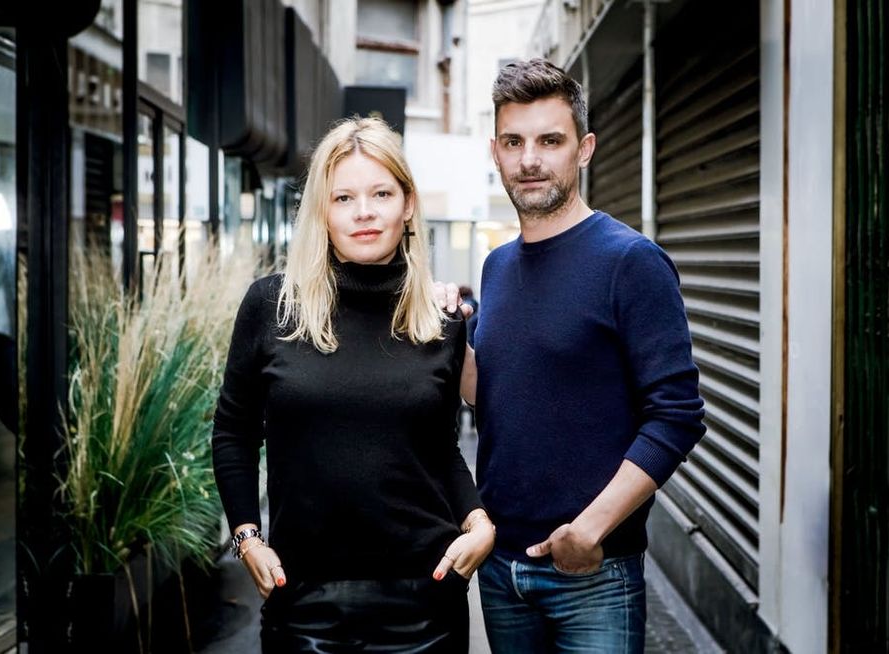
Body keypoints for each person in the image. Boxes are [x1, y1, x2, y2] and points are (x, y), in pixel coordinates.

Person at [211, 116, 495, 653]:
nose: (364, 211)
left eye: (381, 193)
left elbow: (439, 448)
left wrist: (479, 522)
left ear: (407, 204)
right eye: (343, 197)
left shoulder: (440, 319)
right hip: (301, 599)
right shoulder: (272, 306)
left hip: (426, 600)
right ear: (322, 210)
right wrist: (247, 536)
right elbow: (233, 433)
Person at [462, 58, 707, 653]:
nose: (529, 159)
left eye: (550, 140)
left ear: (585, 149)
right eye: (514, 142)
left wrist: (590, 529)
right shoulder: (497, 267)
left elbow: (677, 415)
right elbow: (491, 393)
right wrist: (436, 326)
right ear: (495, 152)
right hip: (501, 570)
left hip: (594, 573)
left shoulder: (631, 261)